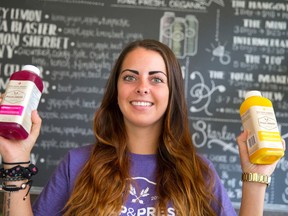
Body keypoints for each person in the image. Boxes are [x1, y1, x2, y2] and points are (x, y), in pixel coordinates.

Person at [0, 39, 284, 216]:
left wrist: (254, 180)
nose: (142, 88)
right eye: (130, 77)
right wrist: (15, 159)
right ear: (116, 90)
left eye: (157, 79)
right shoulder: (78, 164)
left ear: (172, 93)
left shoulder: (200, 172)